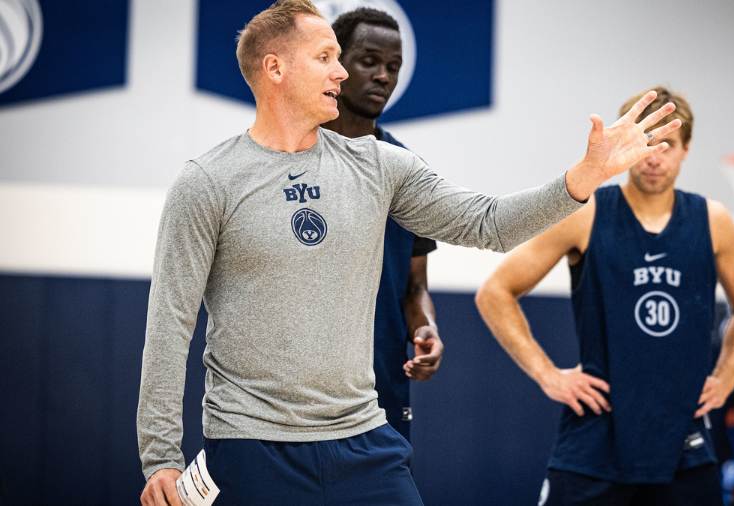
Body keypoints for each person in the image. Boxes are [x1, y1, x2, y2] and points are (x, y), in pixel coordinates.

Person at [135, 1, 682, 504]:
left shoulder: (380, 165)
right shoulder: (207, 181)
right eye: (326, 57)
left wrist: (584, 176)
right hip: (251, 448)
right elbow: (169, 323)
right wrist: (160, 457)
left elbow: (487, 223)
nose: (342, 72)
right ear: (275, 69)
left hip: (364, 441)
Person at [476, 87, 734, 506]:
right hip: (594, 443)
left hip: (683, 443)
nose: (654, 157)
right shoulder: (585, 212)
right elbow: (495, 292)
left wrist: (728, 376)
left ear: (686, 150)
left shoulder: (713, 221)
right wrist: (547, 374)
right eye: (644, 143)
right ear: (624, 145)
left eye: (666, 145)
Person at [322, 7, 442, 442]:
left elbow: (414, 287)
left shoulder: (405, 169)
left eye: (393, 67)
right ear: (334, 64)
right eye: (369, 61)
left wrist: (425, 328)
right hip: (293, 399)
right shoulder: (288, 155)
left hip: (379, 392)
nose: (383, 77)